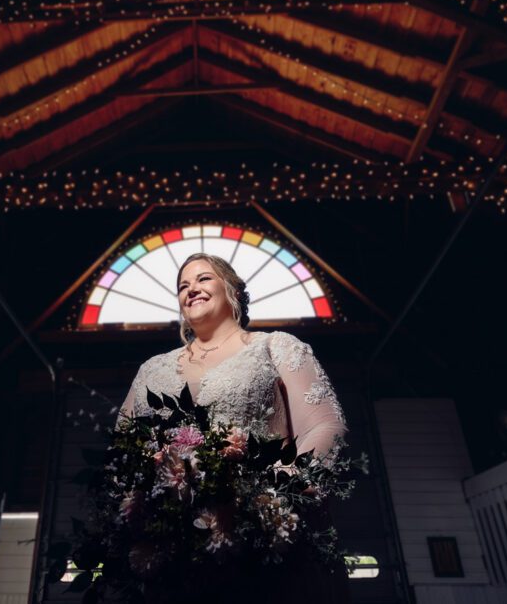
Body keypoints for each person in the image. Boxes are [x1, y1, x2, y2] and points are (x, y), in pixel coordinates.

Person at [118, 252, 350, 601]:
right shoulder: (152, 369)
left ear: (233, 291)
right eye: (182, 285)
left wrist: (274, 498)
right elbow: (123, 446)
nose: (191, 289)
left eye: (203, 279)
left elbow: (325, 426)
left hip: (259, 534)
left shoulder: (275, 347)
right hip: (173, 543)